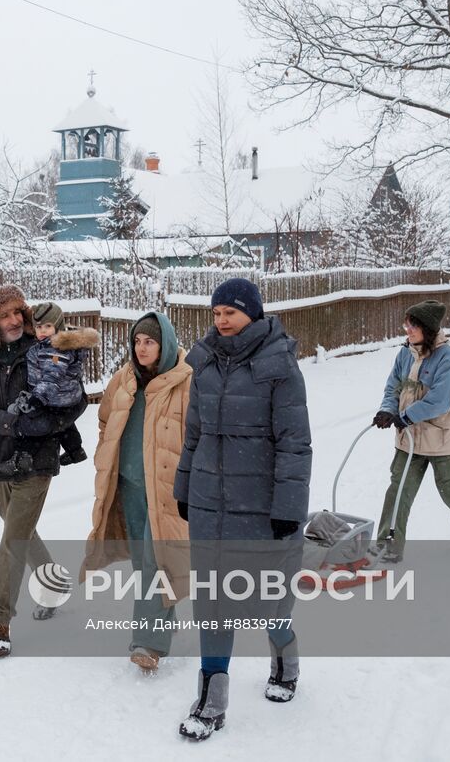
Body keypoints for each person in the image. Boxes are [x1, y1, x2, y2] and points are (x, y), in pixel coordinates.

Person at [174, 278, 312, 741]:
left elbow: (295, 444)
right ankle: (212, 697)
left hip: (261, 506)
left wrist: (289, 507)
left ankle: (284, 657)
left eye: (229, 312)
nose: (221, 320)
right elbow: (193, 435)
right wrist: (185, 486)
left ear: (252, 312)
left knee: (268, 599)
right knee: (213, 599)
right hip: (212, 504)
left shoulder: (279, 366)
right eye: (215, 313)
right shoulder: (207, 363)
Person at [0, 285, 86, 658]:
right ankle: (55, 586)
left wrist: (45, 426)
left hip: (37, 455)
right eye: (6, 315)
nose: (16, 320)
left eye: (19, 312)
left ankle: (0, 619)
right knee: (20, 528)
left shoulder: (46, 346)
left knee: (13, 537)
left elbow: (75, 398)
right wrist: (9, 424)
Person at [82, 312, 191, 674]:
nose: (141, 349)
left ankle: (149, 643)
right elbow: (104, 419)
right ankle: (161, 621)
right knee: (144, 560)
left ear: (166, 344)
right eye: (138, 342)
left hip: (164, 488)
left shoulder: (185, 382)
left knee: (154, 559)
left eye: (150, 342)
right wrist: (105, 452)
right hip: (127, 484)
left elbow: (198, 434)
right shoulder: (124, 380)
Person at [374, 300, 450, 564]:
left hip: (441, 438)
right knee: (398, 489)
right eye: (407, 323)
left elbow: (442, 400)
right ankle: (388, 545)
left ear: (427, 328)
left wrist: (406, 416)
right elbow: (393, 387)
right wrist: (387, 410)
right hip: (409, 438)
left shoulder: (448, 358)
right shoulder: (405, 353)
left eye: (413, 325)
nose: (407, 329)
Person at [1, 301, 94, 470]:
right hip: (68, 397)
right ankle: (75, 450)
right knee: (63, 424)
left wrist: (37, 398)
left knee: (31, 422)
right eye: (39, 327)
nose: (42, 331)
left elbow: (52, 378)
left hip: (55, 396)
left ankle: (24, 456)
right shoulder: (54, 345)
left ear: (58, 326)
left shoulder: (54, 350)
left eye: (48, 326)